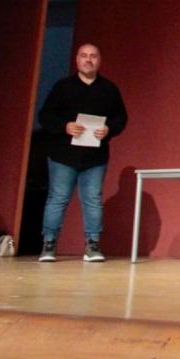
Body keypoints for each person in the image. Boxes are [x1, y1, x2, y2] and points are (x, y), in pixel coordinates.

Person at [37, 43, 128, 262]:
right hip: (63, 155)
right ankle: (49, 244)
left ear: (99, 60)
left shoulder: (109, 89)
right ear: (77, 60)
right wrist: (65, 126)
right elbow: (46, 116)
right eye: (84, 56)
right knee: (57, 199)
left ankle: (92, 245)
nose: (88, 60)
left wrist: (109, 129)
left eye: (93, 56)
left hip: (94, 157)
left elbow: (121, 118)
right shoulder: (63, 87)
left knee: (93, 200)